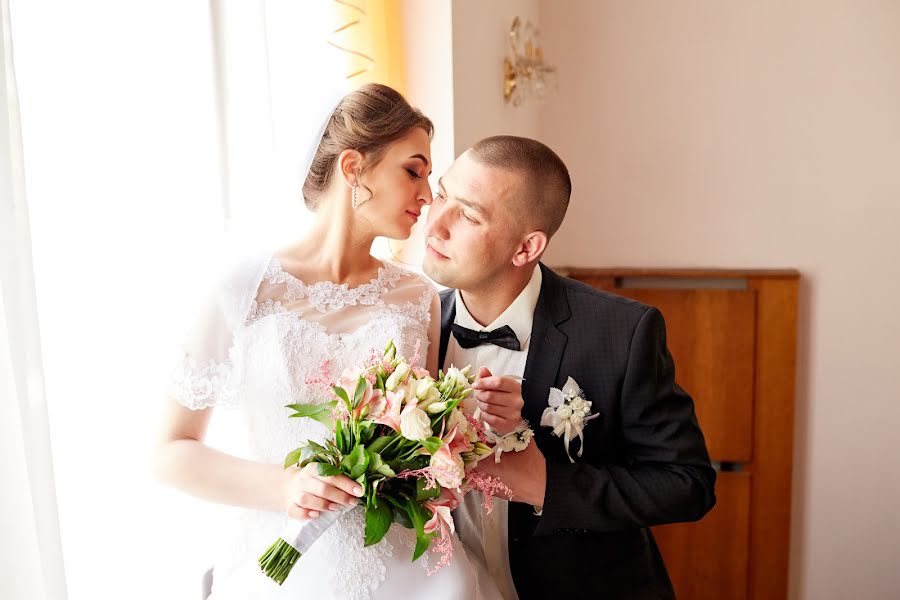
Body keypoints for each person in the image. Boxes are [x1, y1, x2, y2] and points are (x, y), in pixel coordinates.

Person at [155, 84, 502, 600]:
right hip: (285, 562)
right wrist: (286, 486)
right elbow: (170, 453)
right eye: (414, 170)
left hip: (408, 562)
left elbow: (421, 450)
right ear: (353, 168)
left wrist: (470, 420)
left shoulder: (418, 297)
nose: (427, 196)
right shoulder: (239, 288)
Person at [422, 135, 717, 600]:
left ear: (526, 248)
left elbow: (688, 485)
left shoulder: (623, 331)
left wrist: (546, 485)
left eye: (469, 214)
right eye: (441, 194)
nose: (434, 224)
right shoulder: (409, 328)